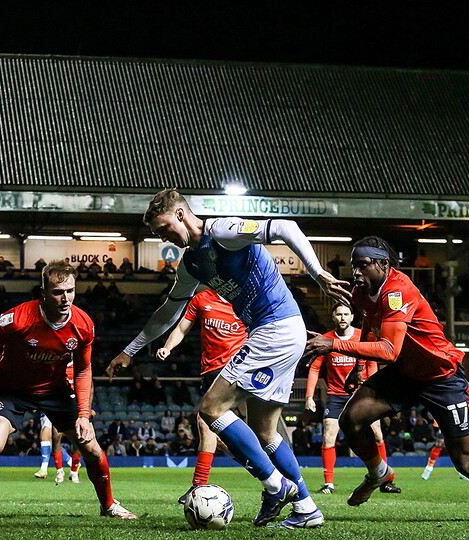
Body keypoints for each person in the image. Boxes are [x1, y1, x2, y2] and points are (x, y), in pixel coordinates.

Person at [107, 188, 349, 529]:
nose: (162, 237)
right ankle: (307, 508)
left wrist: (317, 273)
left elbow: (284, 227)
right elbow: (168, 311)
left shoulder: (221, 231)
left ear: (180, 214)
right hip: (282, 330)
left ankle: (276, 485)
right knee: (265, 431)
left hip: (274, 328)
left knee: (211, 409)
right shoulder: (191, 263)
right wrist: (130, 350)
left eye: (163, 229)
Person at [303, 236, 469, 523]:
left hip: (440, 377)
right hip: (405, 374)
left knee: (465, 462)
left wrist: (333, 344)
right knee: (351, 419)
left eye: (363, 265)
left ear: (383, 264)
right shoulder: (362, 292)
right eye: (353, 266)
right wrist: (359, 366)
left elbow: (389, 350)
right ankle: (379, 473)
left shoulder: (398, 291)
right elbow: (370, 328)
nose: (356, 272)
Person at [0, 261, 136, 519]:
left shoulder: (83, 325)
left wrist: (83, 414)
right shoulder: (17, 320)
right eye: (58, 292)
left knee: (91, 447)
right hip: (11, 390)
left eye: (70, 291)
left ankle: (108, 505)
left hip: (56, 390)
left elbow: (82, 370)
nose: (65, 298)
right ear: (44, 292)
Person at [155, 288, 247, 504]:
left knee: (205, 422)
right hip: (210, 373)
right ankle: (265, 472)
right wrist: (168, 347)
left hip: (236, 371)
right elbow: (181, 328)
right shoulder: (201, 299)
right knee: (218, 436)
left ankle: (198, 487)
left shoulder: (246, 300)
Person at [305, 304, 399, 495]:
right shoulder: (326, 339)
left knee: (378, 434)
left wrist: (374, 388)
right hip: (336, 395)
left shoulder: (361, 337)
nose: (342, 317)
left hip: (362, 395)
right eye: (338, 314)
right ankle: (328, 484)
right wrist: (309, 396)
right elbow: (314, 368)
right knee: (328, 436)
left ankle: (386, 481)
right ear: (333, 317)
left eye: (346, 314)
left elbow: (372, 363)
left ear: (352, 317)